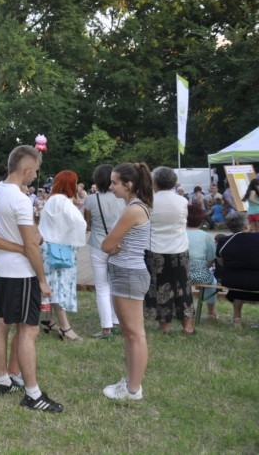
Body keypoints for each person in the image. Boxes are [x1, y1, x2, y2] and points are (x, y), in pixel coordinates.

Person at [0, 145, 63, 412]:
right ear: (26, 169)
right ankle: (33, 394)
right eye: (35, 171)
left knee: (1, 323)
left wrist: (21, 246)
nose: (36, 176)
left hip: (0, 270)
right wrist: (42, 280)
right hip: (22, 274)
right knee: (29, 329)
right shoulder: (20, 200)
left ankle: (4, 380)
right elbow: (31, 245)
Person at [101, 162, 153, 400]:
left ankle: (133, 389)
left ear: (128, 184)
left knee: (134, 334)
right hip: (126, 272)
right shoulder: (133, 207)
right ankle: (131, 384)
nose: (111, 187)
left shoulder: (133, 210)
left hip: (129, 274)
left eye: (114, 183)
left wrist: (112, 248)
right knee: (130, 333)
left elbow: (107, 244)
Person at [38, 170, 87, 342]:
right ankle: (65, 328)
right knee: (58, 288)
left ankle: (48, 320)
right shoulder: (63, 201)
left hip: (48, 249)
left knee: (51, 285)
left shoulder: (52, 200)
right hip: (60, 251)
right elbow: (80, 222)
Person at [144, 166, 193, 335]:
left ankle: (164, 325)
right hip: (179, 248)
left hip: (155, 249)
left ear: (155, 182)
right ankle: (187, 325)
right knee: (183, 286)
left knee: (160, 287)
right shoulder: (182, 201)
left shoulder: (149, 201)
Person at [83, 164, 125, 339]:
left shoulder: (91, 200)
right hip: (119, 246)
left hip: (98, 245)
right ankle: (116, 322)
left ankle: (106, 328)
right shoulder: (122, 199)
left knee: (102, 286)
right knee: (115, 285)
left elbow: (87, 223)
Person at [214, 213, 259, 324]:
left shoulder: (223, 241)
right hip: (256, 282)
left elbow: (221, 262)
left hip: (232, 281)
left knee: (238, 285)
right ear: (246, 226)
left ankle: (236, 318)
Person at [186, 204, 218, 320]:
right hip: (201, 274)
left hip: (181, 274)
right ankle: (211, 312)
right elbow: (211, 259)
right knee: (212, 282)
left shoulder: (179, 234)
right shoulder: (207, 236)